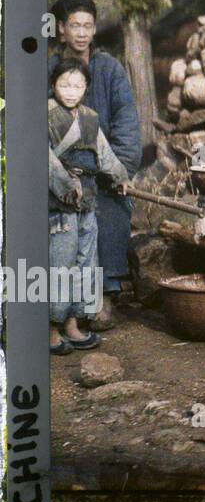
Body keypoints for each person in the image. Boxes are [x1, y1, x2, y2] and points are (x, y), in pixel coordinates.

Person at [49, 0, 142, 330]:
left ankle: (106, 292)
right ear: (61, 29)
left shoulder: (109, 69)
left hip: (105, 168)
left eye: (88, 25)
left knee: (112, 207)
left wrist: (122, 169)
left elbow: (127, 121)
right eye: (74, 25)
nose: (82, 33)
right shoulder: (50, 71)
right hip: (62, 174)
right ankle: (64, 309)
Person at [49, 59, 130, 354]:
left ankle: (73, 322)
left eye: (77, 85)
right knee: (61, 263)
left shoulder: (89, 118)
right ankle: (51, 328)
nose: (71, 91)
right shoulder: (44, 115)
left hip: (88, 200)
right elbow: (45, 160)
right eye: (64, 84)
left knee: (85, 262)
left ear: (86, 87)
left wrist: (119, 176)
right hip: (61, 205)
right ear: (53, 85)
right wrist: (66, 187)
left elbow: (104, 153)